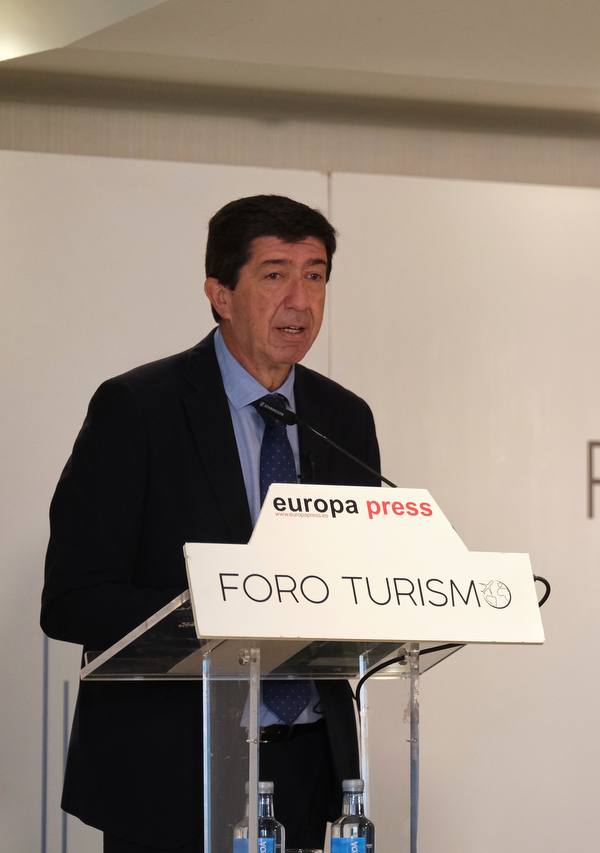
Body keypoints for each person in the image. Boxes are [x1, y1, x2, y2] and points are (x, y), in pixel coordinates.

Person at [41, 195, 382, 853]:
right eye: (275, 274)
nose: (301, 300)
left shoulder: (344, 419)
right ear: (220, 294)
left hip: (312, 766)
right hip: (174, 767)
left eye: (315, 275)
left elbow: (353, 588)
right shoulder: (138, 409)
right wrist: (225, 610)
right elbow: (73, 599)